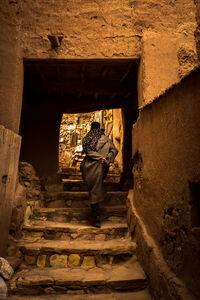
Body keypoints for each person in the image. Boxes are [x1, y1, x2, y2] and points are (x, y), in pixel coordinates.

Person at [81, 121, 118, 228]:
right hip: (101, 168)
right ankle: (96, 216)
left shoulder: (87, 138)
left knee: (94, 191)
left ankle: (96, 218)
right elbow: (114, 150)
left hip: (90, 168)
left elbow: (88, 151)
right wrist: (107, 159)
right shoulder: (106, 139)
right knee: (95, 190)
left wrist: (103, 159)